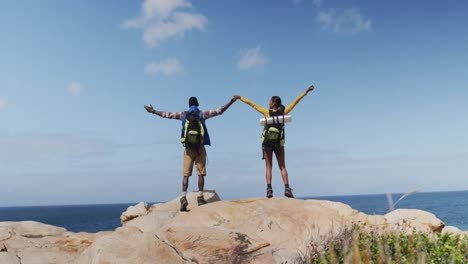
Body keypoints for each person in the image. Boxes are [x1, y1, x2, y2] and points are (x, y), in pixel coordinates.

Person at [144, 96, 237, 211]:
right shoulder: (202, 114)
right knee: (200, 174)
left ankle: (183, 198)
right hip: (200, 148)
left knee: (186, 175)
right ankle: (200, 197)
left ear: (189, 105)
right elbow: (219, 111)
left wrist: (153, 111)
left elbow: (167, 115)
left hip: (188, 149)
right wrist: (231, 102)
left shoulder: (183, 115)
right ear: (197, 104)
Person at [234, 85, 314, 198]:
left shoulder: (267, 112)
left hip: (267, 143)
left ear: (273, 103)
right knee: (282, 166)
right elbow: (296, 101)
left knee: (268, 167)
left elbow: (253, 105)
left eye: (270, 101)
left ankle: (269, 190)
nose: (268, 102)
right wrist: (306, 92)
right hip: (279, 143)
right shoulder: (284, 111)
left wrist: (240, 98)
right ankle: (287, 188)